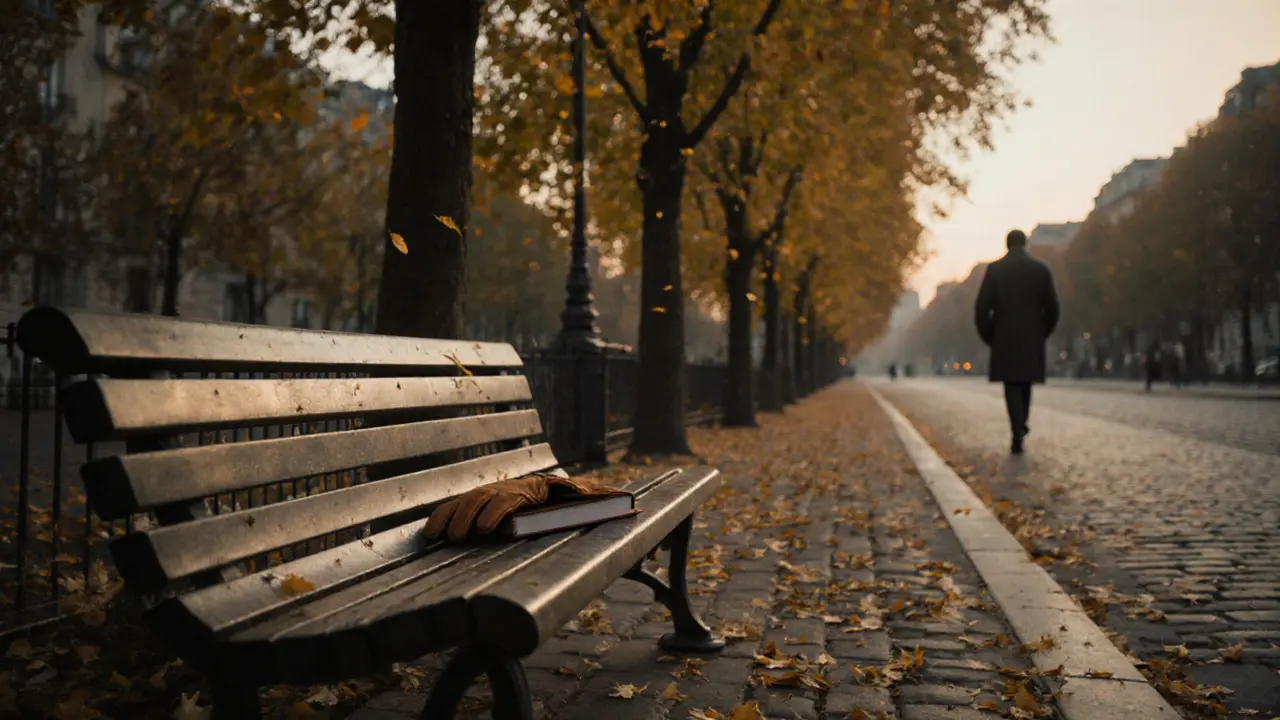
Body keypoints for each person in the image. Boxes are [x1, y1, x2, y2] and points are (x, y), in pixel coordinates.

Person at [974, 229, 1060, 455]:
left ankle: (1017, 428)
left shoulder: (995, 270)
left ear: (1006, 244)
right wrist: (1042, 332)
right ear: (1026, 243)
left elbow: (982, 309)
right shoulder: (1041, 269)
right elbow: (1053, 308)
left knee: (1011, 385)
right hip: (1032, 335)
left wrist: (990, 336)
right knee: (1025, 382)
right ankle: (1021, 423)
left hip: (1004, 336)